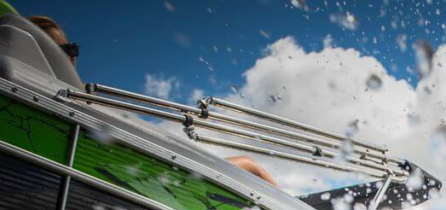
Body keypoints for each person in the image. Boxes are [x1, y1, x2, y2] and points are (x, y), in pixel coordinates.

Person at [29, 15, 279, 188]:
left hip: (130, 173)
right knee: (251, 166)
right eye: (64, 50)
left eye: (73, 48)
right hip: (136, 178)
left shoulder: (53, 99)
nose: (72, 57)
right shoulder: (68, 98)